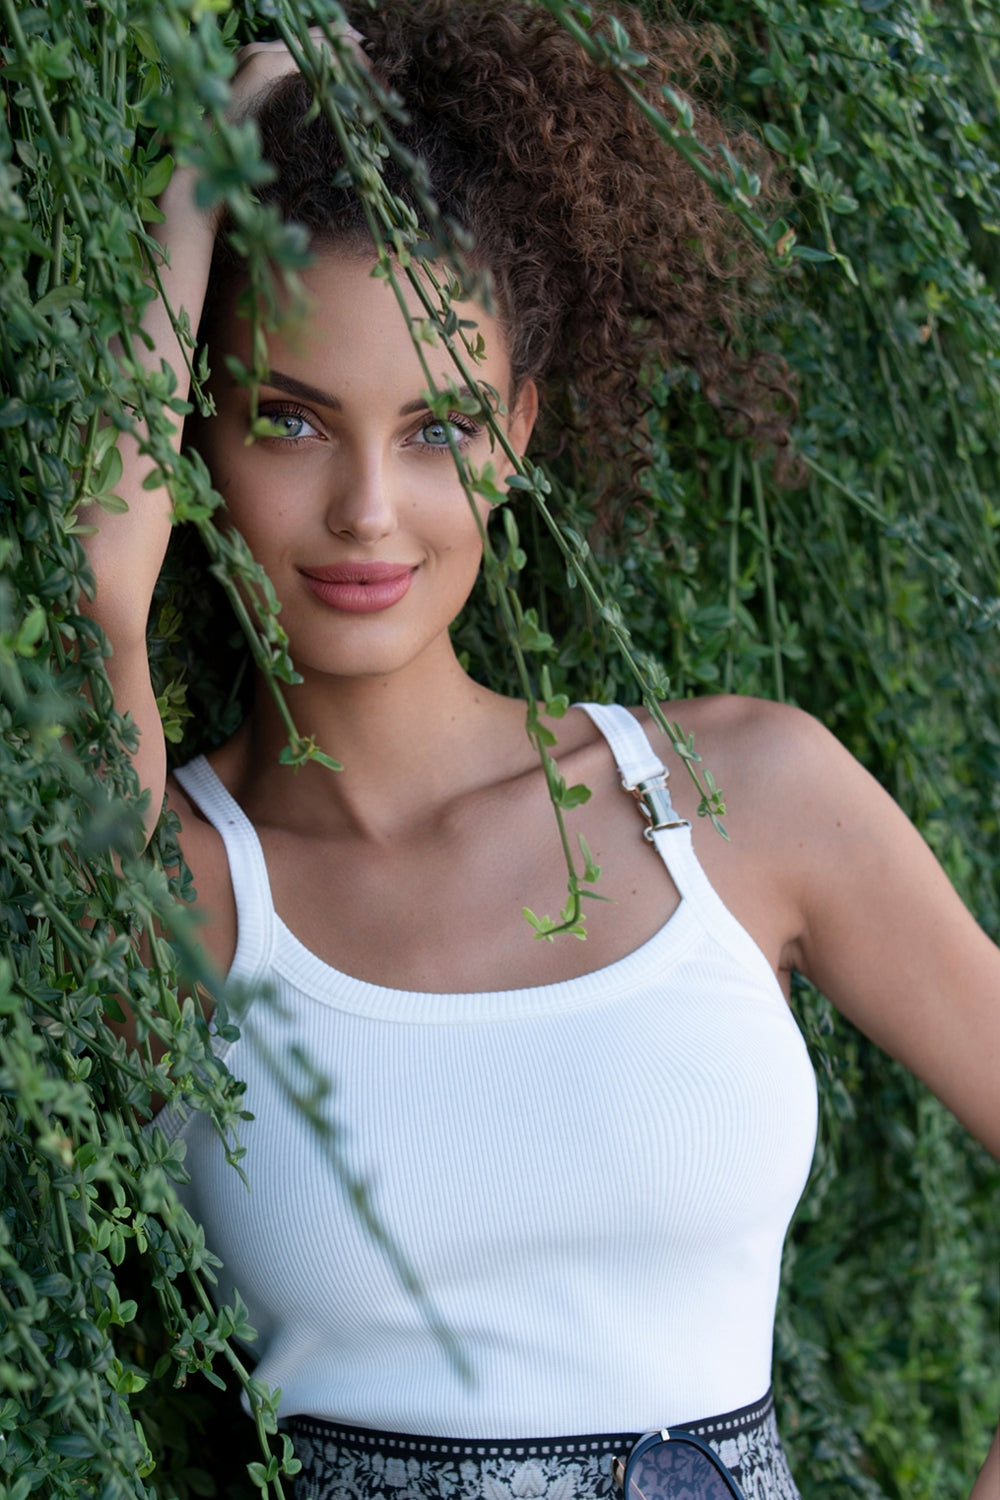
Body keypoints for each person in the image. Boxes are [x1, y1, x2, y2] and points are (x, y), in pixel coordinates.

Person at [83, 4, 1000, 1497]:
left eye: (438, 427)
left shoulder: (739, 797)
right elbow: (87, 605)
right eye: (292, 421)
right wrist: (204, 168)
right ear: (198, 430)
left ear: (517, 432)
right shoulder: (181, 894)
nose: (370, 511)